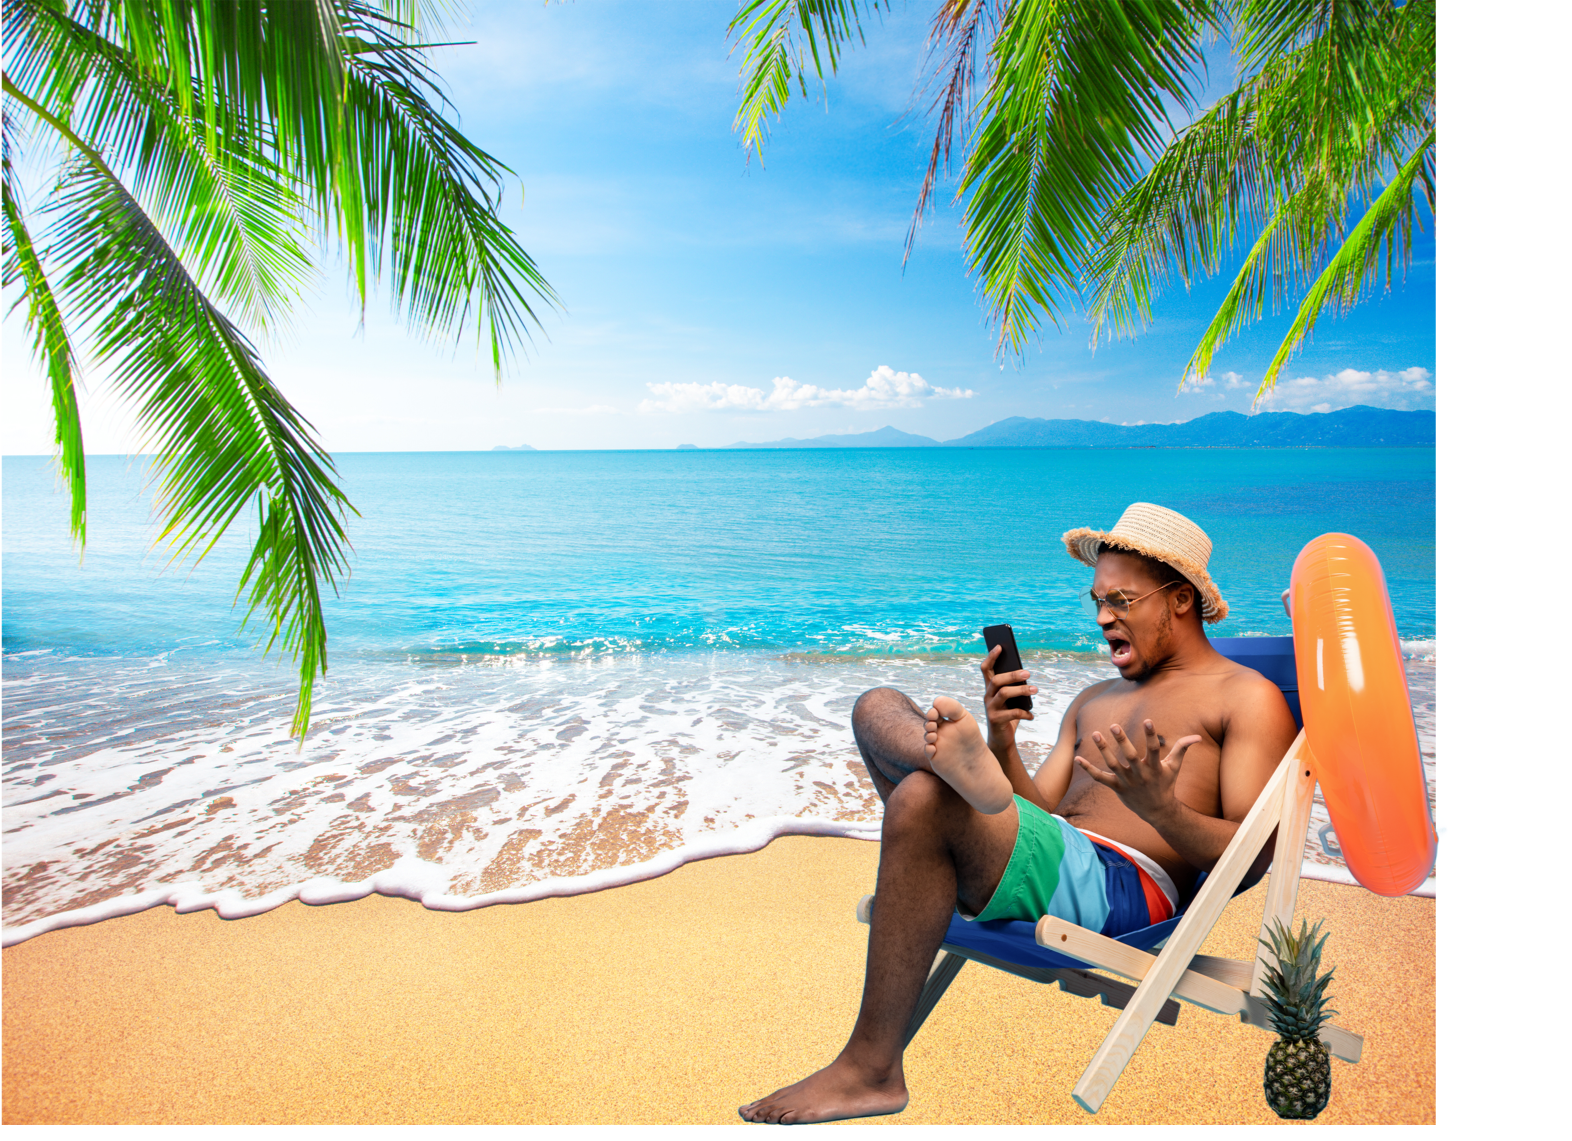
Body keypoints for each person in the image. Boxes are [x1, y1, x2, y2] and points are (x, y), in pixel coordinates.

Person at [739, 503, 1298, 1125]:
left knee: (923, 797)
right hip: (1050, 859)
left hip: (1127, 890)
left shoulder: (1245, 696)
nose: (1103, 618)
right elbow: (1035, 816)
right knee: (876, 704)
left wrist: (1162, 810)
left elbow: (1255, 859)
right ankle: (954, 763)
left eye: (1121, 601)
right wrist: (1003, 741)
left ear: (1181, 600)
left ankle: (871, 1071)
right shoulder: (1093, 699)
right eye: (1097, 602)